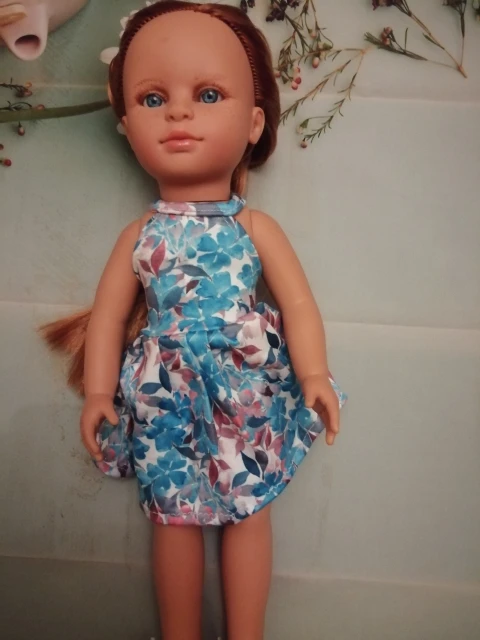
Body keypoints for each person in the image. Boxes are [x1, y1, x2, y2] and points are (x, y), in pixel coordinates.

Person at [42, 2, 346, 639]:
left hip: (247, 386)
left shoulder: (254, 227)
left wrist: (314, 372)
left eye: (208, 95)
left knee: (249, 508)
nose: (178, 114)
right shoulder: (140, 235)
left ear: (255, 121)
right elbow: (109, 321)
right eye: (153, 99)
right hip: (165, 393)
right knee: (172, 514)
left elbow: (299, 305)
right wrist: (98, 393)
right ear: (126, 124)